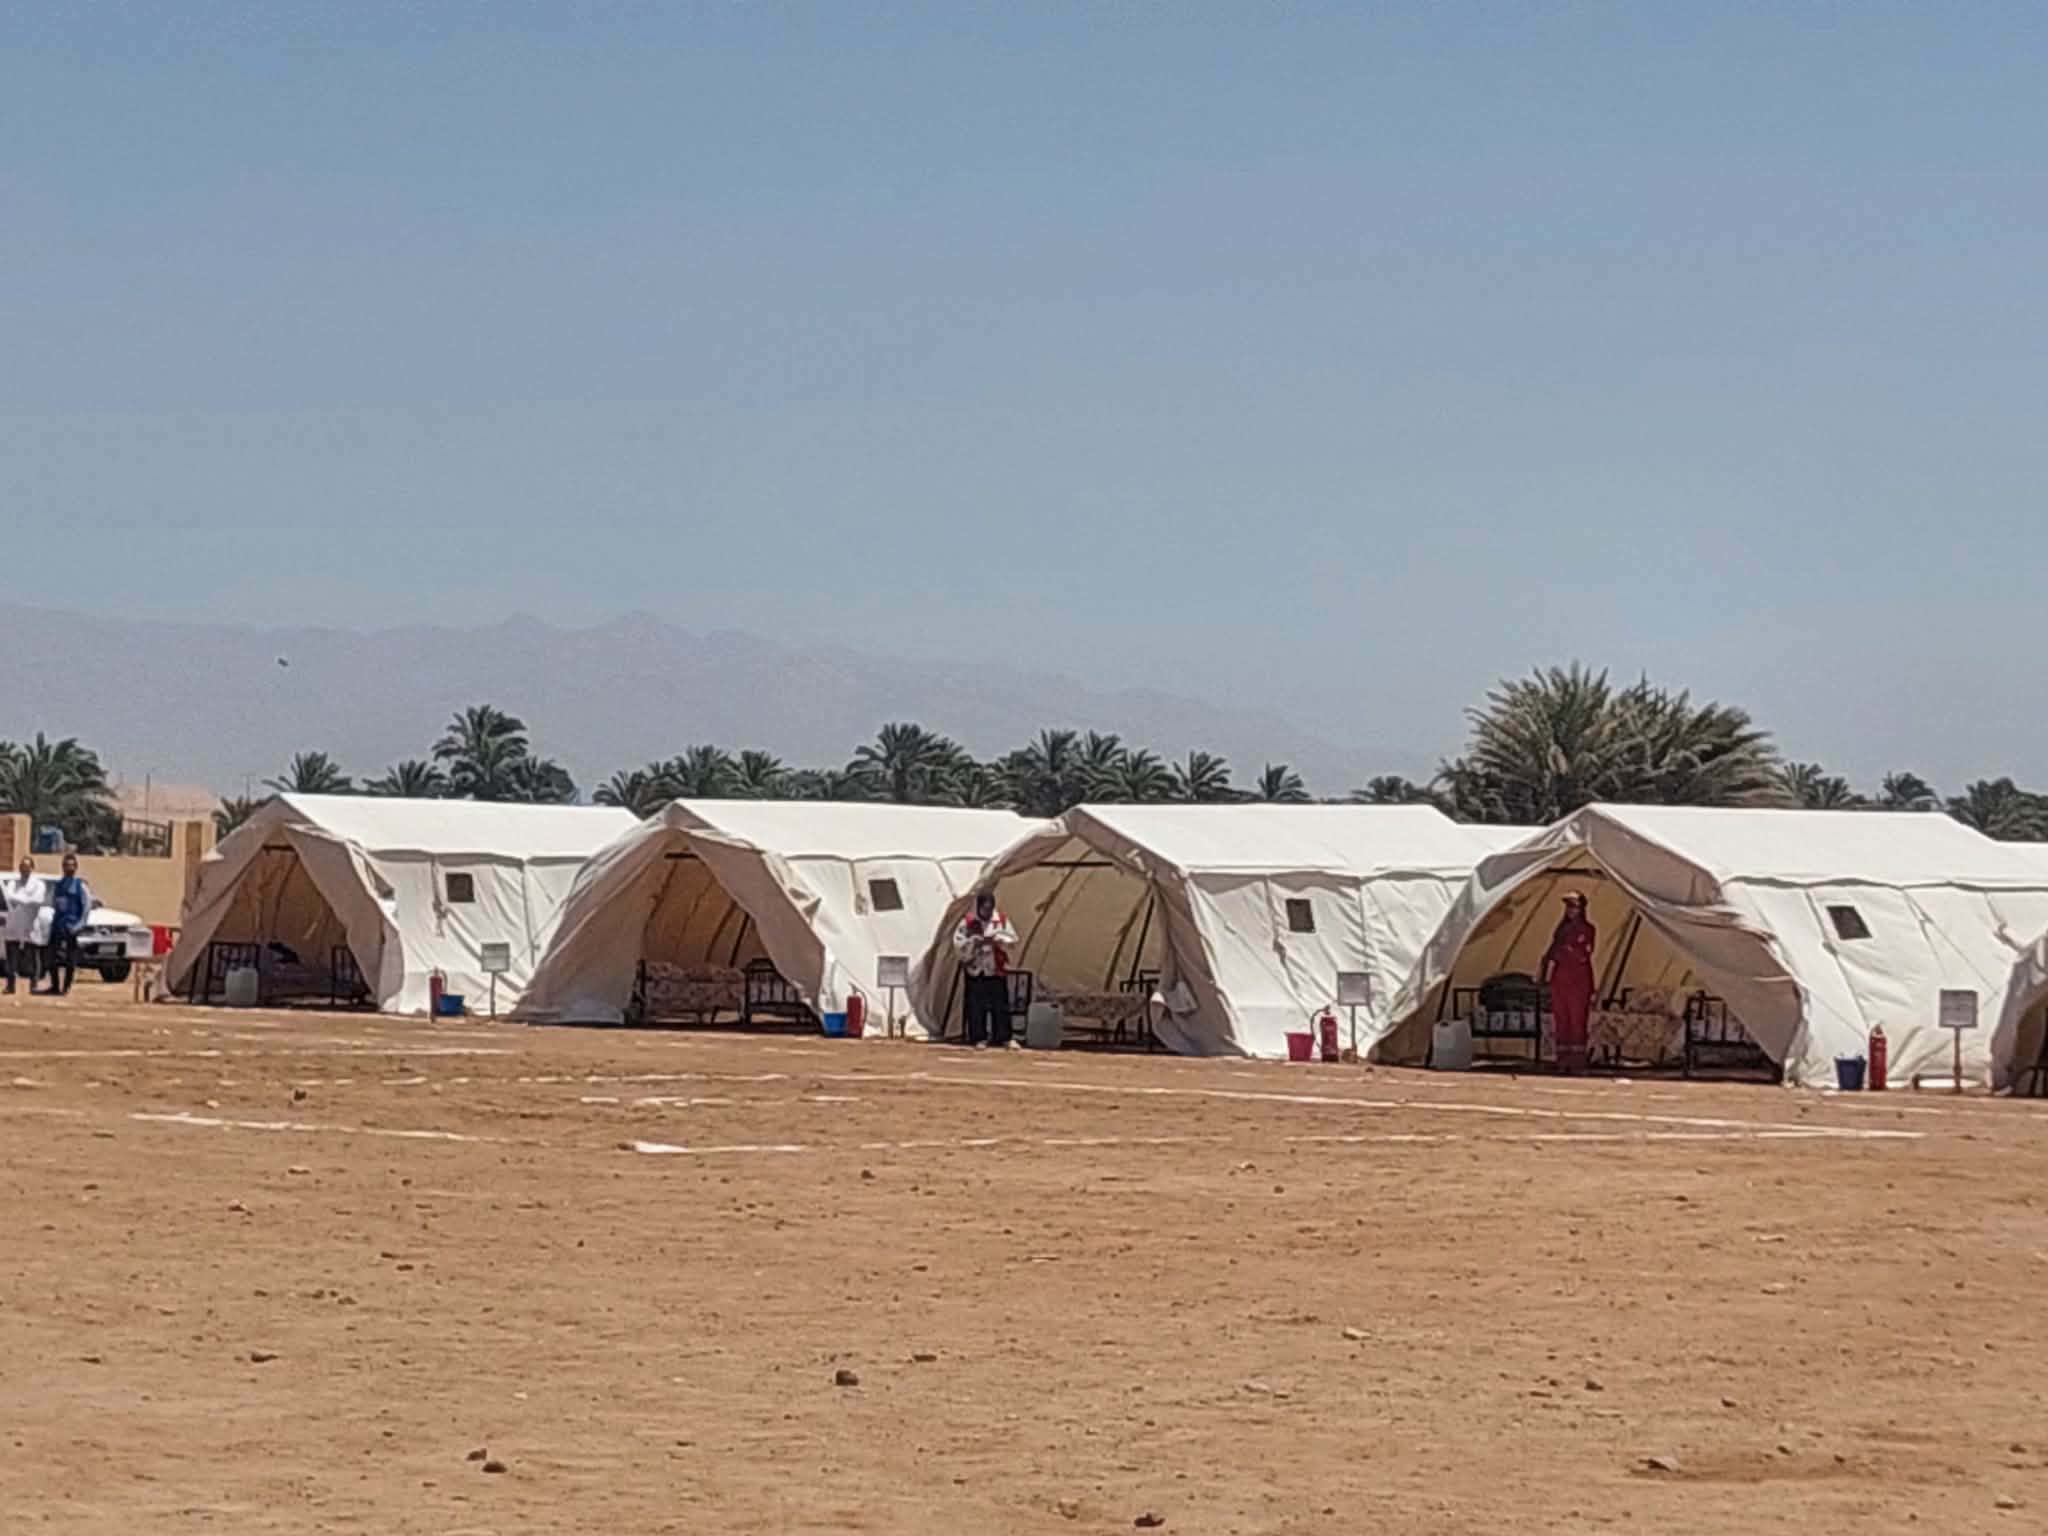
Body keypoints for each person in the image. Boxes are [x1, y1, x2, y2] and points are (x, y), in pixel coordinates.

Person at [952, 890, 1019, 1048]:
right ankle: (978, 1037)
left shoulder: (1001, 921)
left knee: (1000, 1004)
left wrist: (999, 941)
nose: (987, 912)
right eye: (984, 909)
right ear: (979, 907)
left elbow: (1013, 940)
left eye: (989, 908)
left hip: (995, 968)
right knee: (976, 1004)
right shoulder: (968, 922)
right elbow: (958, 943)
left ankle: (1004, 1036)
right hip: (977, 969)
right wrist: (973, 943)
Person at [1541, 890, 1597, 1074]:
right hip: (1560, 980)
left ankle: (1577, 1062)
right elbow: (1553, 953)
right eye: (1568, 906)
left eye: (1574, 906)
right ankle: (1562, 1061)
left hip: (1578, 981)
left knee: (1577, 1021)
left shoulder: (1587, 929)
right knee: (1561, 1020)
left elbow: (1582, 953)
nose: (1571, 910)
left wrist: (1565, 950)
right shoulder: (1561, 930)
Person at [44, 853, 94, 997]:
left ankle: (66, 987)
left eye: (72, 865)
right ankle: (54, 986)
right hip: (58, 925)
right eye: (66, 865)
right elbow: (53, 904)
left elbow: (86, 907)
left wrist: (79, 925)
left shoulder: (80, 886)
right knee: (51, 956)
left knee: (70, 959)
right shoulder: (58, 885)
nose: (69, 868)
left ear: (76, 867)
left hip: (72, 926)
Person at [4, 857, 49, 994]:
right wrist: (26, 900)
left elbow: (38, 900)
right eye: (22, 866)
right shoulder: (13, 883)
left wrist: (19, 900)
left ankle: (34, 985)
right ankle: (10, 985)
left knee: (33, 957)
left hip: (30, 925)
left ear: (32, 868)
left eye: (27, 866)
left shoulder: (39, 885)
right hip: (14, 925)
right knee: (12, 956)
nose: (24, 869)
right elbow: (8, 897)